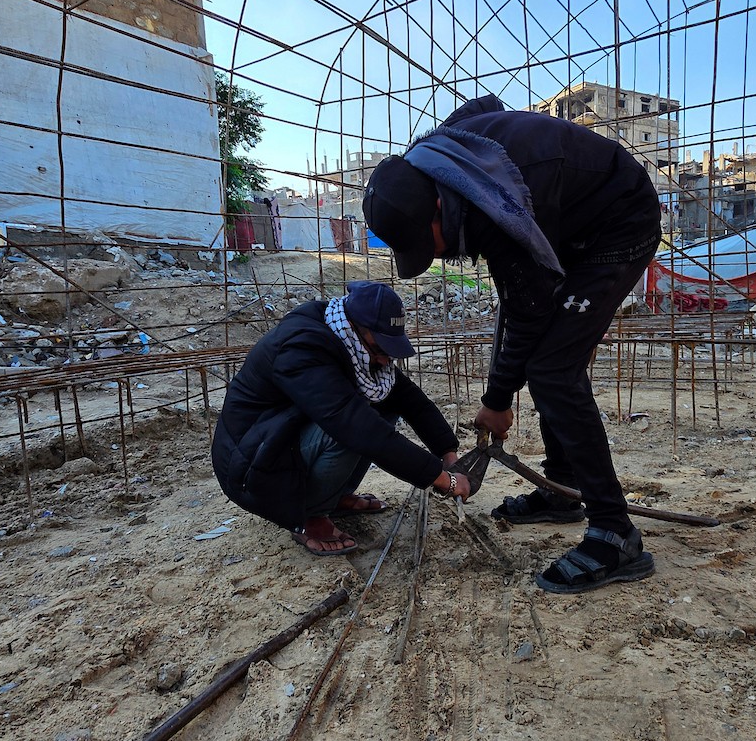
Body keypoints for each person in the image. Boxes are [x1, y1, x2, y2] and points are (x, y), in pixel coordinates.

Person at [363, 94, 661, 593]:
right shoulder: (448, 160)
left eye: (426, 241)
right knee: (549, 356)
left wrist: (497, 401)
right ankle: (563, 491)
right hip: (566, 221)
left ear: (438, 204)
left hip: (619, 221)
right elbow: (486, 103)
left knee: (551, 369)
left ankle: (615, 532)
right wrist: (497, 391)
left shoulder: (490, 202)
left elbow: (528, 313)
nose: (434, 254)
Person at [211, 280, 472, 556]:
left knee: (383, 406)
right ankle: (310, 516)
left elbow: (408, 398)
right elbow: (355, 427)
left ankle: (334, 496)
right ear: (358, 328)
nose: (385, 360)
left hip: (278, 439)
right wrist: (441, 478)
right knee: (351, 429)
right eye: (381, 349)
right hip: (249, 464)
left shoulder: (350, 339)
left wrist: (447, 453)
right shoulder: (302, 347)